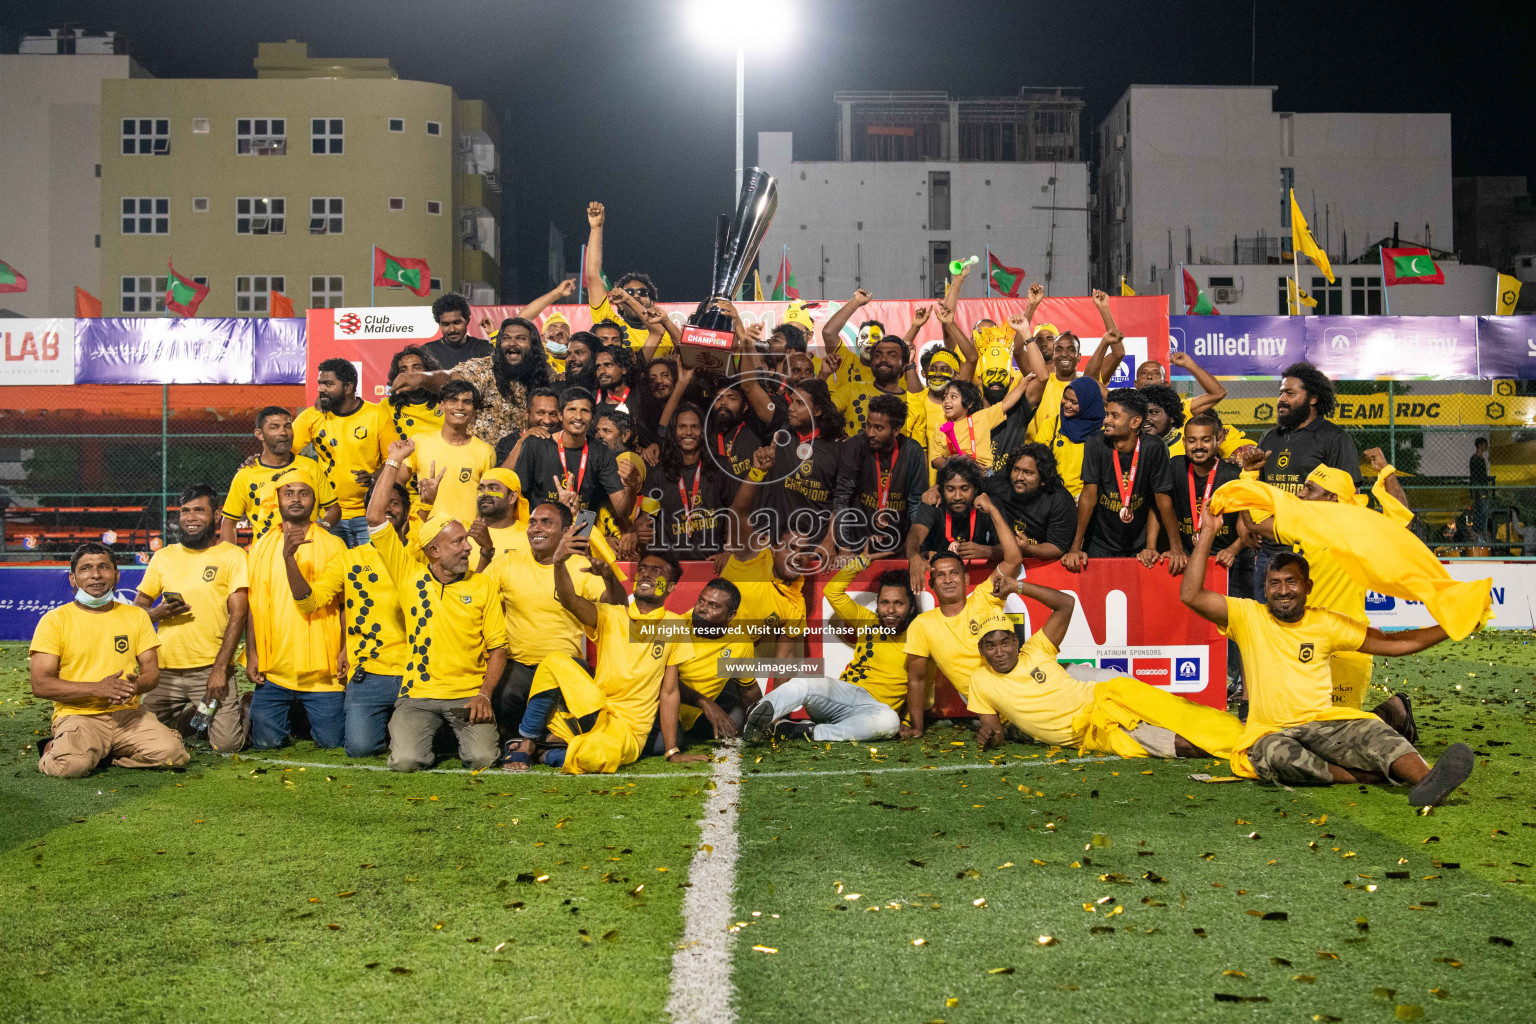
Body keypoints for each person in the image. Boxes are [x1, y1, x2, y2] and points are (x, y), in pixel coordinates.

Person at [1179, 510, 1474, 806]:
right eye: (1275, 583)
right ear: (1265, 588)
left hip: (1324, 724)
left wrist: (1454, 626)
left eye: (1291, 582)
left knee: (1373, 729)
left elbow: (1393, 643)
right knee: (1274, 754)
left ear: (1307, 587)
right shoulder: (1248, 616)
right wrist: (1208, 532)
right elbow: (1191, 595)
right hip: (1270, 732)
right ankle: (1360, 776)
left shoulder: (1326, 623)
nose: (1283, 591)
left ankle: (1429, 781)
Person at [968, 573, 1242, 759]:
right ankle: (1241, 747)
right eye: (990, 646)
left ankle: (1247, 734)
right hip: (1092, 732)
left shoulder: (1036, 648)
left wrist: (1019, 586)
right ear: (981, 651)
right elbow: (996, 734)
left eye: (1005, 642)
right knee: (1182, 745)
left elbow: (1066, 604)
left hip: (1108, 695)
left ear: (1016, 642)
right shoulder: (981, 680)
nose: (1000, 651)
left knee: (1180, 713)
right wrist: (987, 736)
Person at [1239, 461, 1419, 732]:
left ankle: (1394, 711)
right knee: (1301, 727)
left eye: (1309, 489)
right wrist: (1249, 474)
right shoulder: (1305, 527)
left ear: (1332, 498)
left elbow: (1401, 516)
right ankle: (1392, 711)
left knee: (1338, 734)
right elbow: (1254, 522)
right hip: (1306, 641)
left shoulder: (1362, 529)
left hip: (1348, 644)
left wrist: (1385, 469)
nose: (1300, 493)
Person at [366, 448, 508, 771]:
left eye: (466, 541)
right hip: (417, 695)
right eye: (457, 542)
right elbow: (375, 517)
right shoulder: (408, 575)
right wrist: (393, 462)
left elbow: (499, 648)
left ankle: (449, 734)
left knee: (483, 759)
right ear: (433, 550)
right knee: (405, 762)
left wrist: (485, 695)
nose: (467, 547)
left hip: (468, 696)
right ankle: (433, 734)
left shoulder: (483, 584)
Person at [507, 543, 696, 773]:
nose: (647, 574)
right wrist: (559, 563)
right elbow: (570, 600)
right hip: (596, 710)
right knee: (554, 660)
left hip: (628, 731)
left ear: (672, 587)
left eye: (658, 572)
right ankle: (528, 741)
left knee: (592, 757)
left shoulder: (674, 625)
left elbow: (669, 691)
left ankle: (545, 751)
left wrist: (672, 751)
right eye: (643, 569)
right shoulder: (611, 614)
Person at [31, 543, 189, 777]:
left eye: (103, 567)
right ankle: (51, 746)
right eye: (86, 569)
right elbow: (40, 684)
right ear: (73, 579)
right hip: (79, 715)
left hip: (128, 715)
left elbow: (151, 674)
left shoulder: (136, 616)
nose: (95, 575)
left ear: (116, 575)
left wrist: (136, 686)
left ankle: (103, 752)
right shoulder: (54, 620)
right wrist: (98, 689)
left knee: (172, 755)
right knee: (69, 768)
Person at [284, 477, 410, 758]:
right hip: (369, 671)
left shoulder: (420, 554)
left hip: (415, 672)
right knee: (360, 749)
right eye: (381, 503)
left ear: (407, 512)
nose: (388, 509)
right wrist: (289, 558)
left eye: (395, 503)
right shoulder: (349, 559)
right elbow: (309, 603)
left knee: (413, 750)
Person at [744, 557, 913, 743]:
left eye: (898, 603)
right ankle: (759, 717)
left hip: (874, 712)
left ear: (911, 607)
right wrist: (862, 561)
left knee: (889, 722)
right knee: (807, 680)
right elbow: (833, 592)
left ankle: (808, 732)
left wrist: (907, 720)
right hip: (842, 697)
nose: (890, 609)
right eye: (884, 602)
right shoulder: (867, 620)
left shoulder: (918, 637)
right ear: (878, 605)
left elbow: (923, 688)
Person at [134, 485, 249, 753]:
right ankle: (197, 718)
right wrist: (154, 614)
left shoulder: (232, 556)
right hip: (164, 672)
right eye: (185, 511)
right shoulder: (164, 557)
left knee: (226, 746)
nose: (190, 517)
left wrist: (220, 669)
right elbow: (138, 607)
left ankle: (245, 705)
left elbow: (239, 615)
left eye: (199, 510)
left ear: (217, 514)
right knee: (139, 736)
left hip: (210, 669)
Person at [482, 501, 605, 751]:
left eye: (547, 523)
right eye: (533, 522)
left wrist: (609, 575)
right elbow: (475, 597)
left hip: (565, 667)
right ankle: (541, 743)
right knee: (502, 698)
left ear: (566, 531)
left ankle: (528, 742)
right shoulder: (507, 563)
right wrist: (485, 553)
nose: (536, 528)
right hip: (519, 665)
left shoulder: (581, 566)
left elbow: (614, 607)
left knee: (586, 715)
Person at [1242, 361, 1362, 595]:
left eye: (1290, 393)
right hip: (1270, 550)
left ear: (1313, 398)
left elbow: (1351, 497)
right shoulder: (1269, 437)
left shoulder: (1334, 438)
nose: (1281, 399)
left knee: (1309, 624)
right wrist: (1243, 523)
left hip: (1311, 552)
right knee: (1268, 625)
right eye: (1280, 393)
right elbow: (1257, 486)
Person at [246, 476, 347, 750]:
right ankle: (274, 709)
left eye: (304, 493)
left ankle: (302, 714)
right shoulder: (260, 547)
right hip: (275, 673)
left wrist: (345, 649)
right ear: (278, 500)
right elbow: (254, 605)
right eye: (288, 493)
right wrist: (253, 653)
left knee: (333, 742)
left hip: (322, 675)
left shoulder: (334, 545)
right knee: (266, 744)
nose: (295, 498)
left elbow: (344, 605)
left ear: (314, 501)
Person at [900, 538, 1022, 739]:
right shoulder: (923, 624)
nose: (948, 580)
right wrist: (916, 727)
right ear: (931, 584)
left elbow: (1014, 560)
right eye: (940, 575)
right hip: (987, 702)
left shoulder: (984, 596)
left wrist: (992, 509)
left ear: (965, 579)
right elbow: (917, 679)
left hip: (1021, 683)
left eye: (954, 573)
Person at [1063, 388, 1182, 573]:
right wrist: (1076, 547)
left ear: (1135, 422)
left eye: (1114, 416)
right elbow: (1088, 496)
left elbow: (1161, 500)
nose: (1106, 420)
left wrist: (1174, 548)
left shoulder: (1154, 447)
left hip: (1140, 543)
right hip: (1100, 541)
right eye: (1106, 414)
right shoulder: (1095, 443)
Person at [650, 578, 756, 755]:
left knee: (732, 728)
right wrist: (704, 702)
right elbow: (659, 681)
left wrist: (764, 719)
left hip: (701, 709)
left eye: (714, 606)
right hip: (668, 703)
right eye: (701, 600)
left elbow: (749, 690)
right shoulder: (675, 627)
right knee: (662, 745)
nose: (702, 608)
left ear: (730, 615)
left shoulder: (741, 642)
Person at [293, 358, 387, 547]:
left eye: (328, 384)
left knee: (371, 571)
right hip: (329, 515)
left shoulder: (377, 415)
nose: (321, 389)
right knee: (333, 571)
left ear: (348, 387)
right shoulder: (312, 416)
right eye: (320, 384)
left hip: (369, 515)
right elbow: (285, 452)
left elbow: (393, 461)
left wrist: (373, 477)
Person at [514, 387, 631, 524]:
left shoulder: (601, 452)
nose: (578, 417)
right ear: (560, 415)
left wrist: (632, 487)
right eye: (571, 409)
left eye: (585, 411)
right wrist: (559, 509)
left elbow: (623, 511)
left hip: (582, 528)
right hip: (541, 528)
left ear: (592, 418)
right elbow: (518, 499)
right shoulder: (535, 445)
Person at [221, 407, 337, 544]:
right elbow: (229, 522)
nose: (283, 432)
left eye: (287, 426)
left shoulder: (310, 467)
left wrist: (324, 526)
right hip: (266, 557)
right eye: (274, 427)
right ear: (259, 434)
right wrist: (231, 558)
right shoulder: (246, 474)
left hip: (308, 552)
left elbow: (333, 508)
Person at [832, 393, 929, 556]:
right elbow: (842, 497)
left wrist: (914, 548)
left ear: (896, 430)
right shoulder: (856, 445)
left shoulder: (912, 451)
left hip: (897, 549)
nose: (870, 433)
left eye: (879, 428)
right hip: (857, 547)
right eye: (868, 425)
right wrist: (844, 547)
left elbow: (916, 505)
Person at [583, 201, 679, 355]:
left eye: (642, 293)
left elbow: (688, 354)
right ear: (619, 305)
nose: (635, 296)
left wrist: (627, 298)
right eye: (629, 292)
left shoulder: (665, 334)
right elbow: (593, 276)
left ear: (653, 302)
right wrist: (596, 228)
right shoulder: (610, 325)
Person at [758, 379, 845, 547]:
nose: (791, 408)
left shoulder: (838, 449)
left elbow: (841, 500)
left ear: (818, 410)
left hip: (816, 548)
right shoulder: (782, 434)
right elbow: (750, 388)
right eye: (792, 402)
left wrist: (829, 540)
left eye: (800, 403)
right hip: (779, 544)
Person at [397, 381, 497, 526]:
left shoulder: (485, 451)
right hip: (426, 535)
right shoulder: (419, 442)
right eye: (453, 401)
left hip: (467, 540)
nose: (460, 407)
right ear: (441, 405)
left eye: (467, 402)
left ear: (474, 409)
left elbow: (489, 499)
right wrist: (409, 515)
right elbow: (398, 483)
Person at [450, 316, 554, 447]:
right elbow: (452, 376)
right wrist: (422, 378)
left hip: (525, 460)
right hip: (484, 462)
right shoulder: (483, 368)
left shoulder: (545, 374)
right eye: (506, 338)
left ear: (533, 345)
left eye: (521, 338)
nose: (512, 343)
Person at [1167, 413, 1244, 564]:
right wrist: (1175, 547)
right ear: (1184, 442)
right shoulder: (1174, 467)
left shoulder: (1234, 475)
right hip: (1188, 558)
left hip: (1227, 559)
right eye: (1192, 441)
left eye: (1206, 440)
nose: (1198, 446)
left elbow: (1250, 522)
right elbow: (1158, 506)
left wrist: (1232, 550)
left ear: (1219, 439)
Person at [985, 443, 1077, 562]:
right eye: (1016, 469)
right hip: (1005, 561)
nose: (1019, 477)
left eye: (1028, 473)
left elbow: (1057, 547)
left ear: (1043, 479)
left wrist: (1028, 548)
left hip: (1043, 564)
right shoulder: (999, 486)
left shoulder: (1059, 500)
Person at [907, 459, 1008, 565]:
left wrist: (987, 551)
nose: (957, 497)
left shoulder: (987, 504)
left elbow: (1009, 549)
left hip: (979, 570)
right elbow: (915, 535)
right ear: (941, 489)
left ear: (976, 489)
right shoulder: (934, 502)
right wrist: (914, 557)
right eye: (950, 489)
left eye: (964, 489)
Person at [927, 375, 1028, 473]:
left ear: (969, 403)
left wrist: (1024, 382)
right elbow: (935, 460)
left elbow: (1005, 403)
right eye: (944, 397)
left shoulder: (981, 418)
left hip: (983, 474)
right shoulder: (940, 430)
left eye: (953, 397)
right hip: (953, 474)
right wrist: (956, 465)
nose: (946, 401)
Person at [383, 345, 445, 446]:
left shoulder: (446, 404)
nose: (410, 373)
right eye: (403, 370)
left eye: (417, 368)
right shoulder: (386, 407)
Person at [467, 468, 528, 570]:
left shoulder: (530, 535)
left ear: (512, 497)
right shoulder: (463, 531)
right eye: (481, 489)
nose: (485, 493)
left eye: (493, 489)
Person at [421, 293, 491, 370]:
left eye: (456, 323)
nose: (452, 330)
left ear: (467, 321)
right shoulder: (427, 351)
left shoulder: (483, 348)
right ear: (440, 325)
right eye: (446, 324)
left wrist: (494, 334)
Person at [498, 387, 561, 467]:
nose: (547, 421)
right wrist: (522, 443)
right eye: (540, 413)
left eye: (553, 414)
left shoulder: (563, 442)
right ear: (526, 414)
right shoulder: (509, 443)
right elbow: (501, 477)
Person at [1470, 437, 1492, 538]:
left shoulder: (1480, 459)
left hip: (1480, 486)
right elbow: (1478, 475)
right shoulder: (1476, 459)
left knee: (1483, 509)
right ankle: (1477, 530)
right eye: (1484, 444)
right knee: (1481, 509)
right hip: (1479, 487)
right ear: (1479, 445)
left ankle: (1480, 530)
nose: (1486, 446)